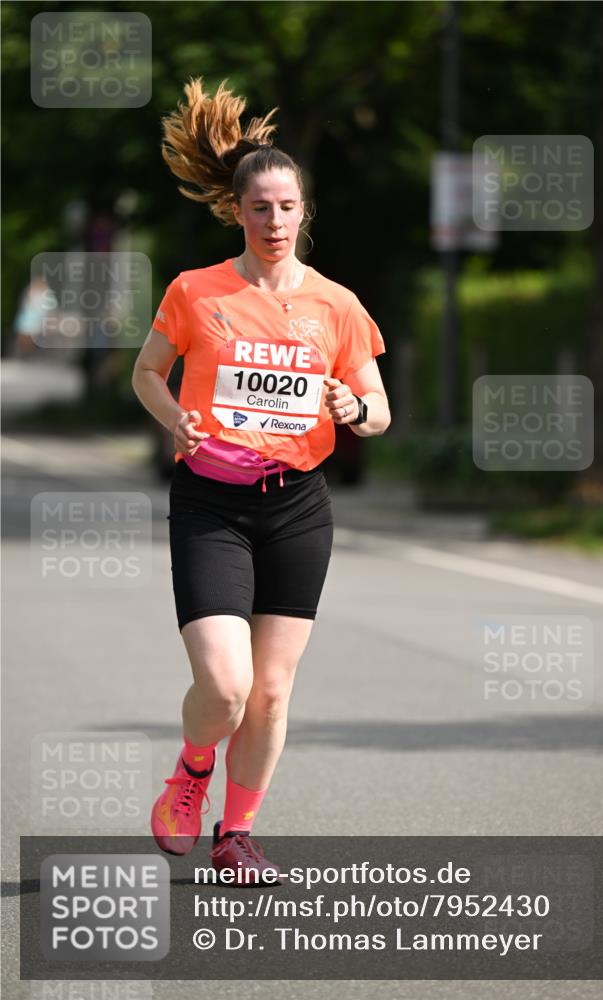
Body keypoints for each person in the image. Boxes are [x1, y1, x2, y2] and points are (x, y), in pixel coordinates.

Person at [131, 77, 391, 881]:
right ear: (236, 212)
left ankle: (236, 834)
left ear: (303, 211)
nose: (274, 222)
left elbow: (378, 409)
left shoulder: (336, 305)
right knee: (225, 682)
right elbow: (146, 373)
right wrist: (174, 416)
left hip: (297, 509)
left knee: (271, 696)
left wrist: (354, 405)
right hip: (210, 504)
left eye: (286, 208)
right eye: (259, 209)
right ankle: (192, 769)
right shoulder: (196, 291)